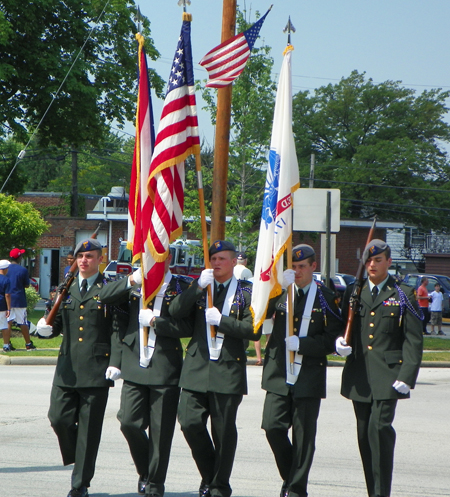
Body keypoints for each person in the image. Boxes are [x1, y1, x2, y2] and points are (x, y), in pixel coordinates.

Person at [169, 240, 261, 497]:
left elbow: (254, 331)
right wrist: (197, 286)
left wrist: (223, 321)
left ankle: (219, 486)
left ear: (234, 262)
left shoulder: (245, 292)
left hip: (227, 370)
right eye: (213, 259)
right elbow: (175, 311)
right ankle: (211, 475)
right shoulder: (200, 286)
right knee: (188, 422)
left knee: (222, 432)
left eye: (222, 258)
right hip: (197, 368)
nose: (217, 263)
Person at [336, 239, 423, 497]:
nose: (372, 264)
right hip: (359, 374)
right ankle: (372, 490)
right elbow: (343, 325)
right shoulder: (355, 291)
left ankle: (380, 493)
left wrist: (407, 375)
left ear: (388, 262)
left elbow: (413, 338)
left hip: (389, 375)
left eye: (378, 260)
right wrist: (339, 342)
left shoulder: (403, 294)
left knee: (379, 429)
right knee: (364, 435)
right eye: (369, 260)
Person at [99, 254, 191, 496]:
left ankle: (155, 484)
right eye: (146, 255)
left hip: (164, 366)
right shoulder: (134, 284)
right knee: (128, 421)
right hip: (134, 364)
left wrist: (156, 322)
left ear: (167, 256)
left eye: (157, 254)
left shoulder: (181, 286)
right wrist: (132, 280)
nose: (151, 260)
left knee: (161, 433)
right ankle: (146, 471)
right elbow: (105, 297)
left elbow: (188, 327)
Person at [261, 244, 343, 497]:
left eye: (302, 267)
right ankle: (292, 477)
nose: (297, 272)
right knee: (272, 426)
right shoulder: (279, 293)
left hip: (308, 374)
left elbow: (333, 338)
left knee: (303, 437)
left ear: (313, 267)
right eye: (293, 267)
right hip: (278, 373)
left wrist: (304, 345)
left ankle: (296, 490)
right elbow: (260, 315)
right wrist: (276, 291)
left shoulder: (326, 298)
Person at [36, 238, 114, 497]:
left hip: (96, 369)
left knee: (89, 432)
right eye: (80, 257)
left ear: (100, 259)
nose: (84, 261)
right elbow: (55, 325)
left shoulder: (109, 288)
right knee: (58, 418)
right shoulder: (65, 288)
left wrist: (116, 363)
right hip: (66, 369)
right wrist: (45, 331)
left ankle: (79, 484)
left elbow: (117, 330)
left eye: (90, 256)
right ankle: (77, 454)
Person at [5, 248, 36, 350]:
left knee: (8, 322)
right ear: (19, 258)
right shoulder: (23, 270)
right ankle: (28, 344)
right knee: (22, 322)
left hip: (7, 299)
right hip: (19, 299)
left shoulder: (5, 269)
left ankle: (7, 344)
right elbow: (26, 285)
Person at [0, 260, 12, 352]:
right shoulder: (6, 280)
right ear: (5, 269)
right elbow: (7, 295)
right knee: (4, 325)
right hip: (2, 305)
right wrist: (9, 308)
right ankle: (6, 345)